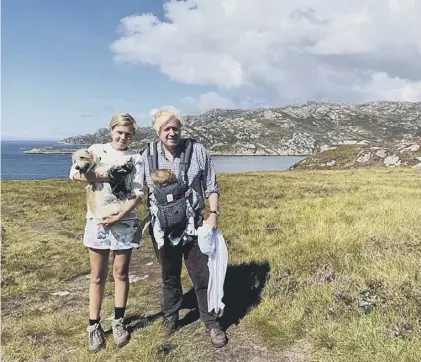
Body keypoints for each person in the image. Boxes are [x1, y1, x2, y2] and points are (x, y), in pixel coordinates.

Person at [141, 108, 228, 348]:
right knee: (169, 276)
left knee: (202, 275)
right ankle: (171, 316)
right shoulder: (147, 155)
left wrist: (213, 214)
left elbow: (211, 186)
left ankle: (211, 322)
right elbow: (135, 187)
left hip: (194, 227)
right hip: (162, 229)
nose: (172, 133)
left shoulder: (198, 151)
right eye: (166, 128)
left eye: (175, 128)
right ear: (158, 131)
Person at [69, 112, 144, 353]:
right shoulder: (96, 150)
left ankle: (119, 321)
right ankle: (94, 325)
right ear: (111, 130)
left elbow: (138, 193)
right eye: (120, 132)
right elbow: (75, 173)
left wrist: (120, 215)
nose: (124, 138)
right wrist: (107, 175)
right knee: (97, 275)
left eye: (129, 134)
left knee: (121, 273)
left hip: (125, 220)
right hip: (98, 220)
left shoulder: (136, 158)